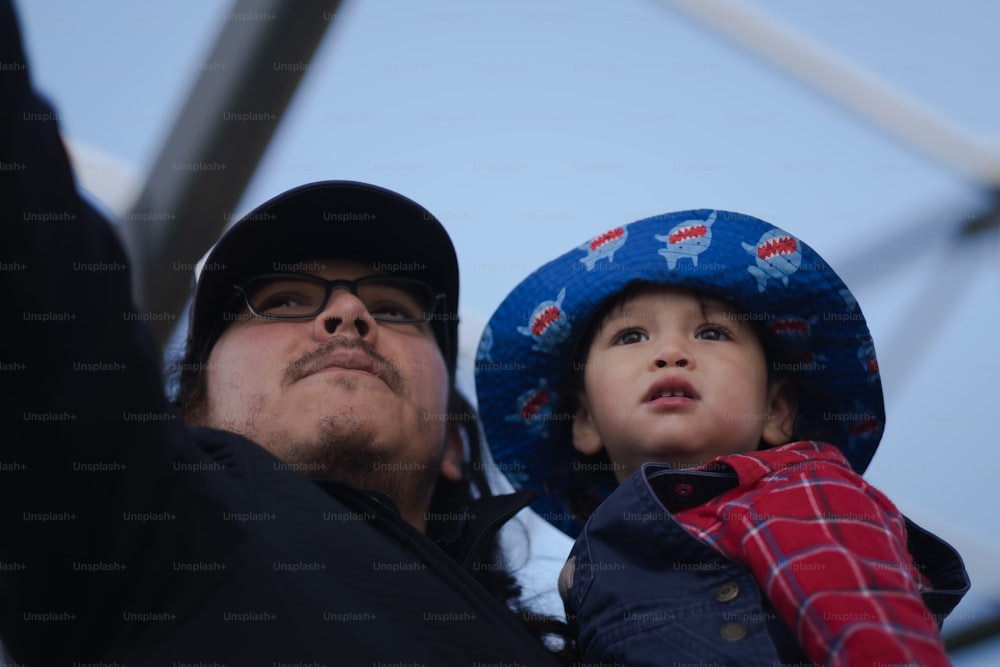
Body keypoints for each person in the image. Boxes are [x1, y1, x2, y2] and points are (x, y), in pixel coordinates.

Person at [0, 2, 570, 664]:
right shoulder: (141, 526)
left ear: (450, 439)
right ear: (190, 409)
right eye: (283, 300)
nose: (349, 314)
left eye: (393, 310)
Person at [474, 209, 971, 666]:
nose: (671, 352)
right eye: (631, 337)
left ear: (775, 410)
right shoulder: (588, 568)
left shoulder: (800, 492)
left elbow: (870, 632)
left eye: (711, 334)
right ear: (584, 422)